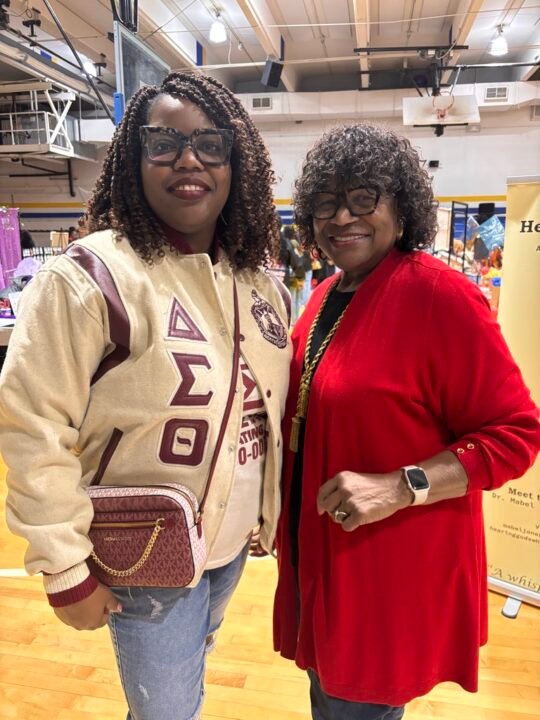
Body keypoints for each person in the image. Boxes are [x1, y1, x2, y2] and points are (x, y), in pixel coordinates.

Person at [0, 71, 291, 720]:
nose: (189, 160)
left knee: (189, 681)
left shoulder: (262, 287)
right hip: (145, 553)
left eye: (210, 145)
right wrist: (65, 566)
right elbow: (31, 425)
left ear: (236, 165)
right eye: (164, 143)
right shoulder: (88, 277)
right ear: (134, 160)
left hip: (230, 547)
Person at [273, 123, 540, 720]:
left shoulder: (439, 296)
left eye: (363, 197)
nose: (342, 217)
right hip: (320, 556)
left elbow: (516, 433)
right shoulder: (324, 298)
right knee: (331, 699)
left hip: (385, 572)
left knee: (355, 706)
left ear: (401, 208)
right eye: (326, 203)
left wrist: (402, 485)